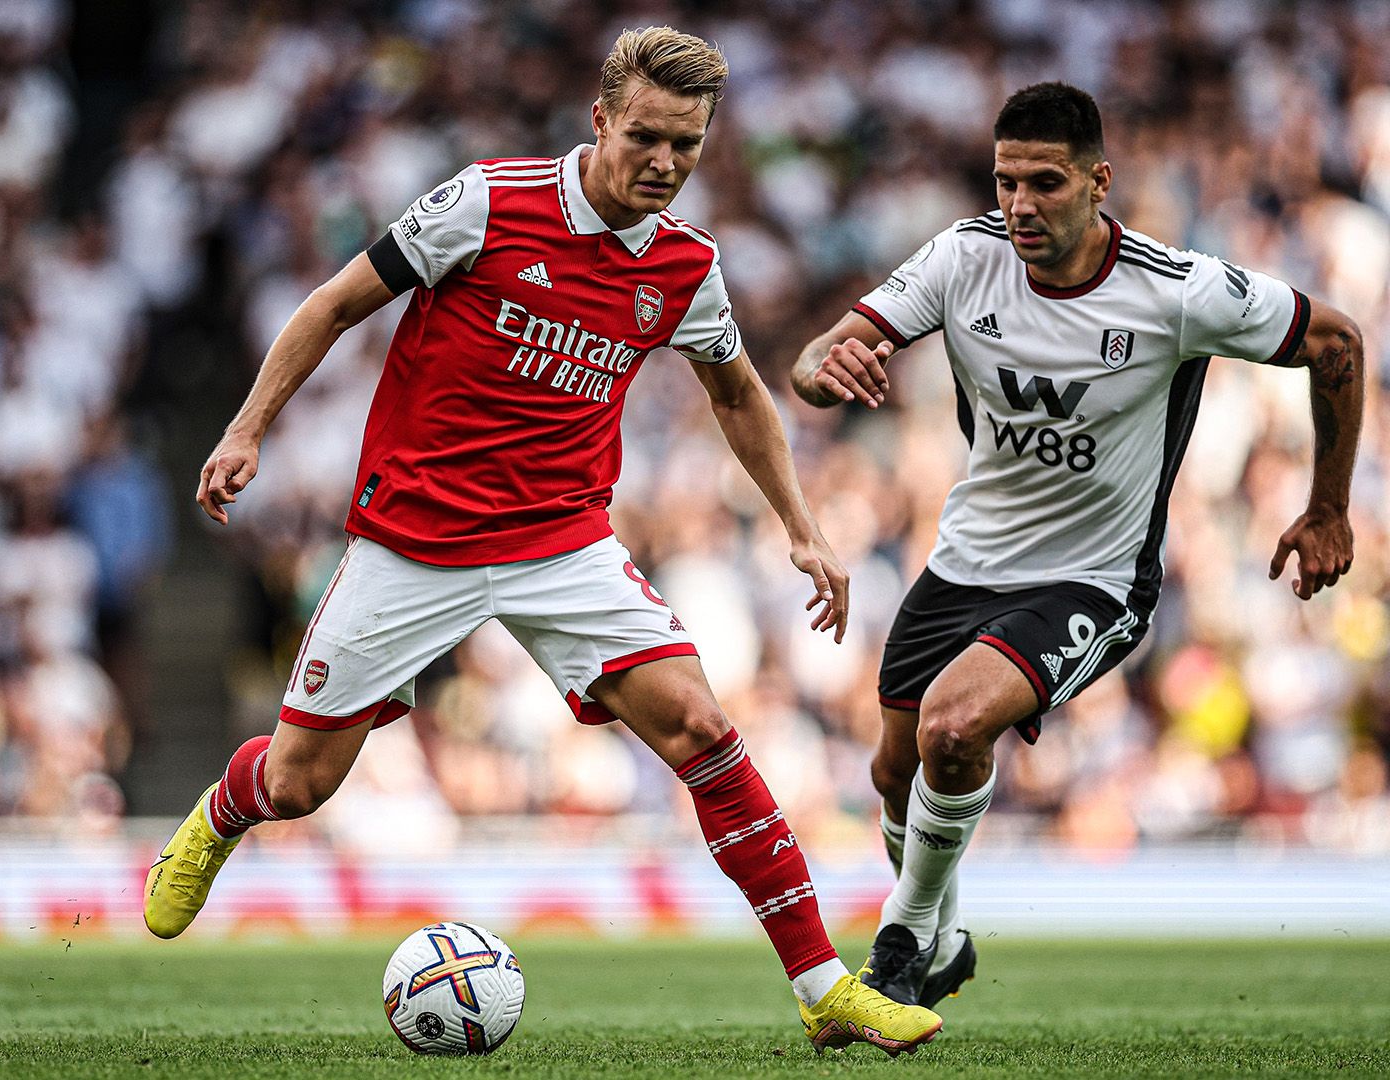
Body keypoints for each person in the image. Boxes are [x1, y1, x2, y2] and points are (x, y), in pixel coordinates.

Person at [144, 26, 942, 1055]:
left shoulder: (686, 264)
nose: (664, 162)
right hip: (416, 539)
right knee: (298, 785)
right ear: (600, 120)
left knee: (701, 726)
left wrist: (802, 526)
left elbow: (739, 393)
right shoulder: (488, 202)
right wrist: (247, 428)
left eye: (687, 144)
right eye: (646, 136)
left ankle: (823, 985)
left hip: (562, 543)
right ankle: (221, 815)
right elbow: (335, 305)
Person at [790, 83, 1364, 1007]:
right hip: (964, 561)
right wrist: (826, 369)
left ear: (1100, 182)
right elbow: (816, 356)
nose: (1020, 204)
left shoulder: (1176, 290)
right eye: (1006, 181)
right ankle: (945, 938)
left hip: (1094, 578)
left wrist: (1329, 507)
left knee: (952, 727)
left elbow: (1337, 341)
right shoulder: (964, 256)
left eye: (1045, 183)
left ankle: (902, 938)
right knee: (895, 772)